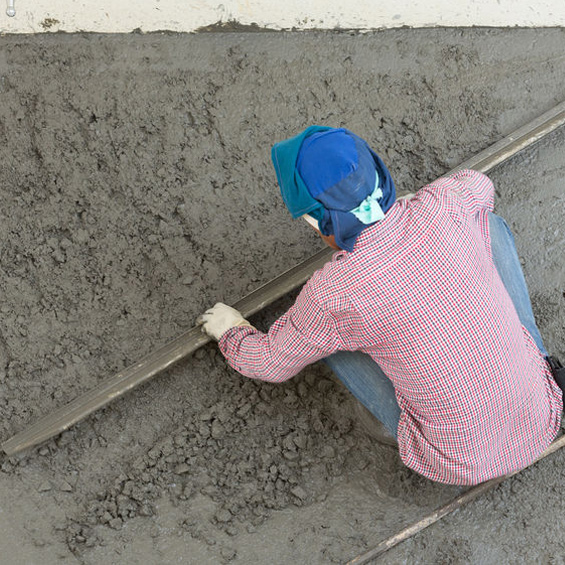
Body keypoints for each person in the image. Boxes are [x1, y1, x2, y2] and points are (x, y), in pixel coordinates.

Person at [197, 126, 564, 486]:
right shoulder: (444, 203)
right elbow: (480, 187)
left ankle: (390, 427)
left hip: (459, 462)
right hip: (545, 414)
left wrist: (231, 330)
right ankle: (535, 366)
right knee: (489, 224)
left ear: (312, 220)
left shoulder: (332, 294)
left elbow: (269, 363)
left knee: (325, 341)